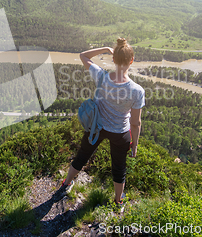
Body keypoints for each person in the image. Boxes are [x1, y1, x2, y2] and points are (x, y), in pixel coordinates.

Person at [61, 38, 145, 205]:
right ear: (131, 61)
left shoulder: (101, 76)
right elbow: (135, 123)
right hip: (120, 132)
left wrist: (105, 49)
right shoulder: (137, 91)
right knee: (119, 169)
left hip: (96, 127)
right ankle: (118, 200)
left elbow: (83, 56)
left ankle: (67, 182)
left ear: (113, 59)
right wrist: (134, 144)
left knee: (82, 156)